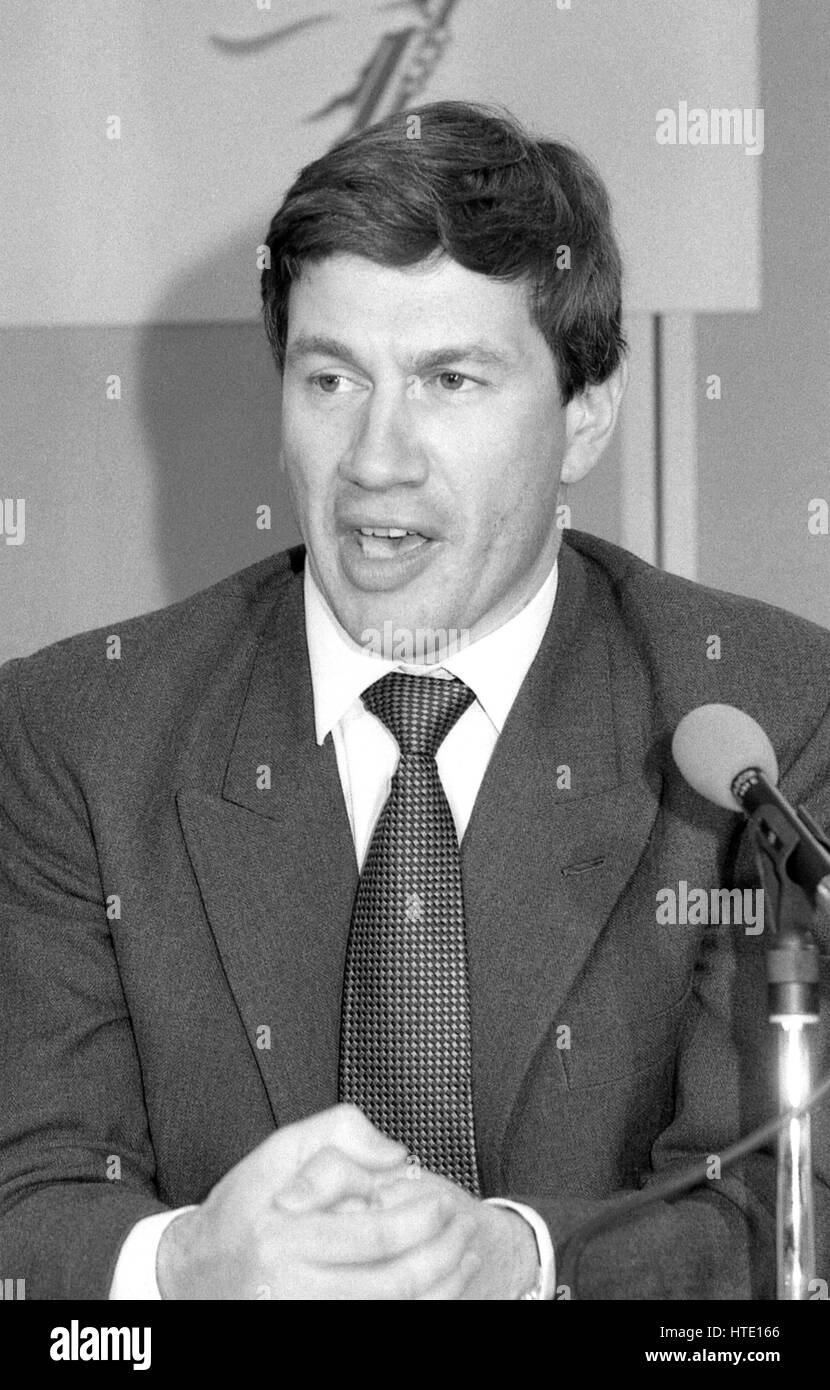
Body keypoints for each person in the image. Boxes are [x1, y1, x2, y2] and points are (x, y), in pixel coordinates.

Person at [1, 100, 828, 1302]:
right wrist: (178, 1270)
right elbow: (27, 1188)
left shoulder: (761, 726)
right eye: (330, 377)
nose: (376, 456)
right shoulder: (77, 733)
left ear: (584, 413)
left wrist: (523, 1264)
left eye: (449, 379)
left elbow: (779, 1199)